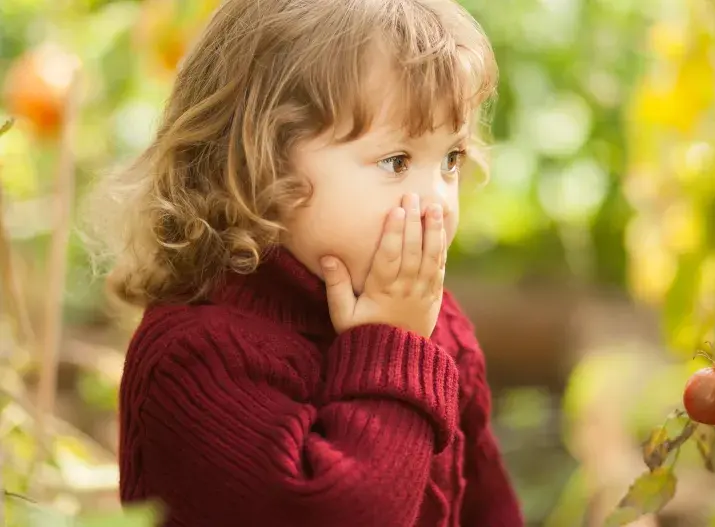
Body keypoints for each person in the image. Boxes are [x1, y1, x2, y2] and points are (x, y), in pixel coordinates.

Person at [86, 0, 524, 525]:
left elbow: (487, 505)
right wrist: (391, 348)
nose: (436, 200)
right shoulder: (198, 356)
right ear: (262, 160)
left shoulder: (432, 322)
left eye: (450, 158)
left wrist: (405, 335)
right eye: (396, 161)